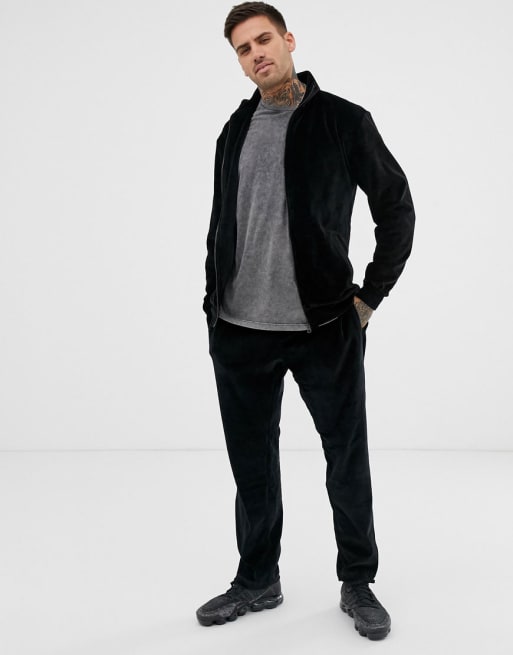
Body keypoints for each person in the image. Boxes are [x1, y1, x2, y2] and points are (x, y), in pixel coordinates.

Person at [197, 1, 415, 641]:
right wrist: (212, 305)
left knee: (345, 457)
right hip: (239, 330)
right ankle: (257, 579)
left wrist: (368, 299)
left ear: (289, 40)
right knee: (252, 464)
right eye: (243, 49)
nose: (256, 54)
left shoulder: (343, 121)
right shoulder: (233, 130)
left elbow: (396, 208)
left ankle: (358, 582)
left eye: (263, 40)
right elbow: (221, 223)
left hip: (324, 327)